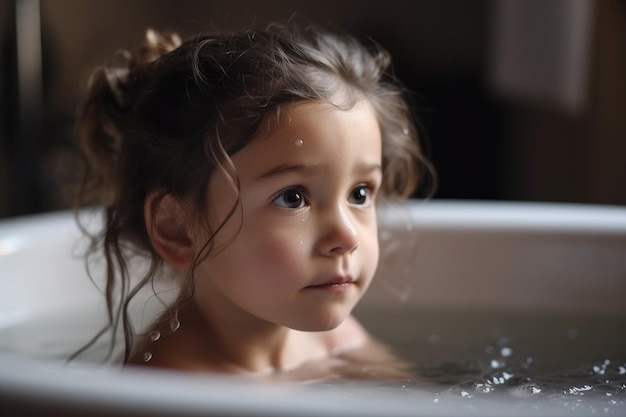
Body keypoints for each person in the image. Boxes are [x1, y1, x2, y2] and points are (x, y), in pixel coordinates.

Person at [75, 22, 432, 381]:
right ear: (177, 229)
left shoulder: (333, 338)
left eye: (360, 193)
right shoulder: (168, 386)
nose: (347, 236)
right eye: (293, 198)